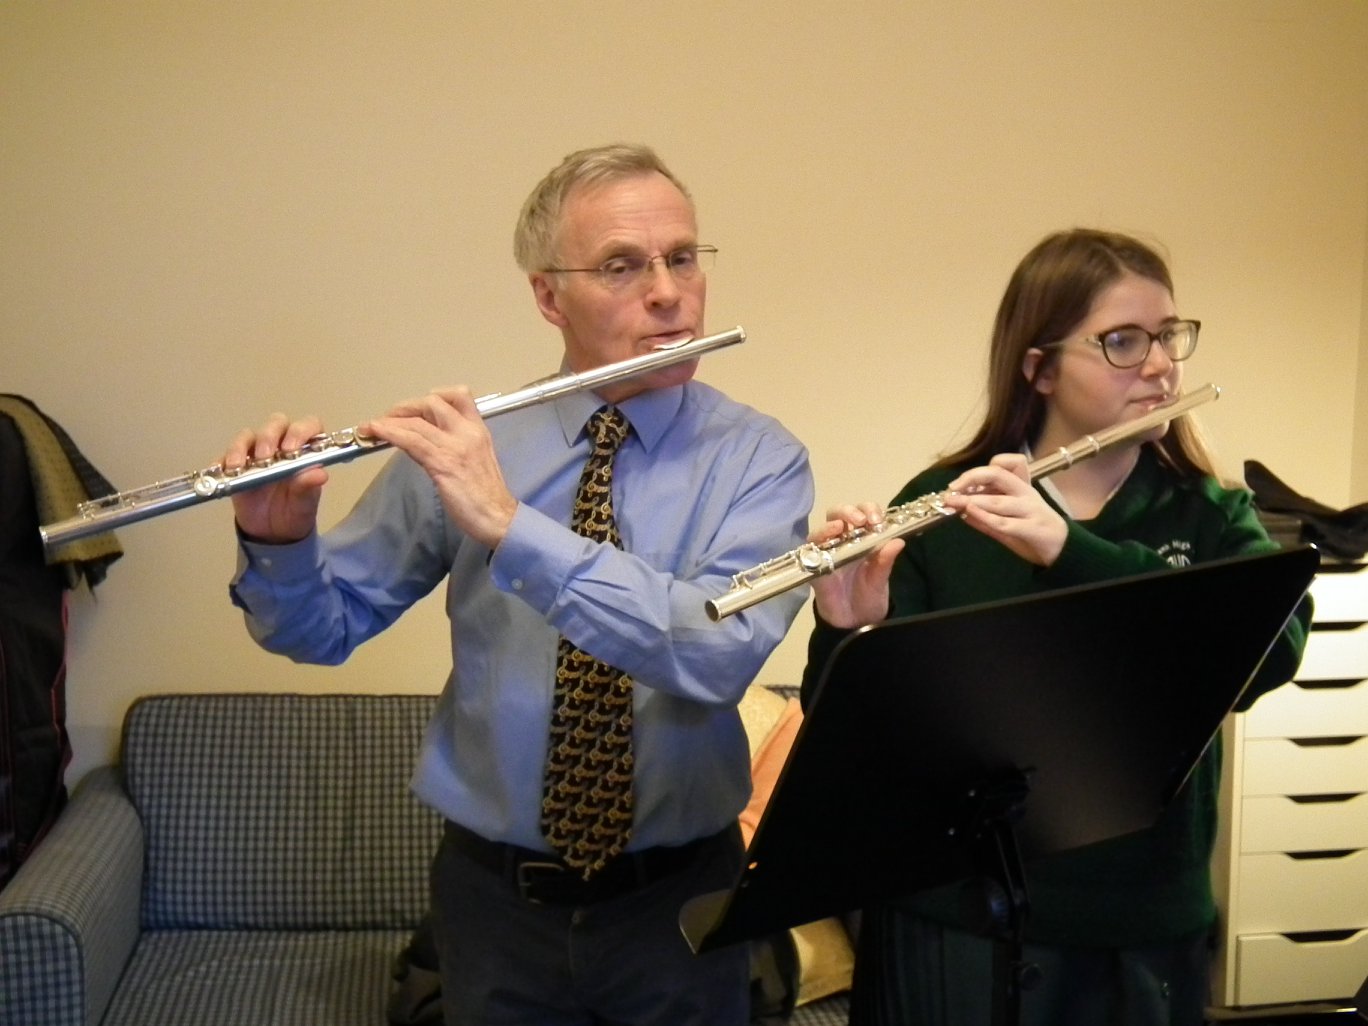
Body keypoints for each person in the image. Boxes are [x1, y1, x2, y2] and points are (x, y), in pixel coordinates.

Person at [224, 143, 814, 1026]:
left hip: (679, 898)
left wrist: (511, 527)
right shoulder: (467, 447)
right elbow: (320, 631)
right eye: (622, 265)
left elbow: (717, 649)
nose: (668, 291)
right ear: (549, 295)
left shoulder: (761, 461)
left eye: (682, 257)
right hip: (494, 903)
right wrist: (279, 542)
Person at [801, 228, 1311, 1026]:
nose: (1160, 365)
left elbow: (1270, 654)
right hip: (952, 919)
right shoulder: (946, 501)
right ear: (1038, 368)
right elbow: (857, 741)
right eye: (1122, 341)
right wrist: (846, 628)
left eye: (1169, 337)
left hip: (1139, 927)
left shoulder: (1210, 514)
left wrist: (1071, 550)